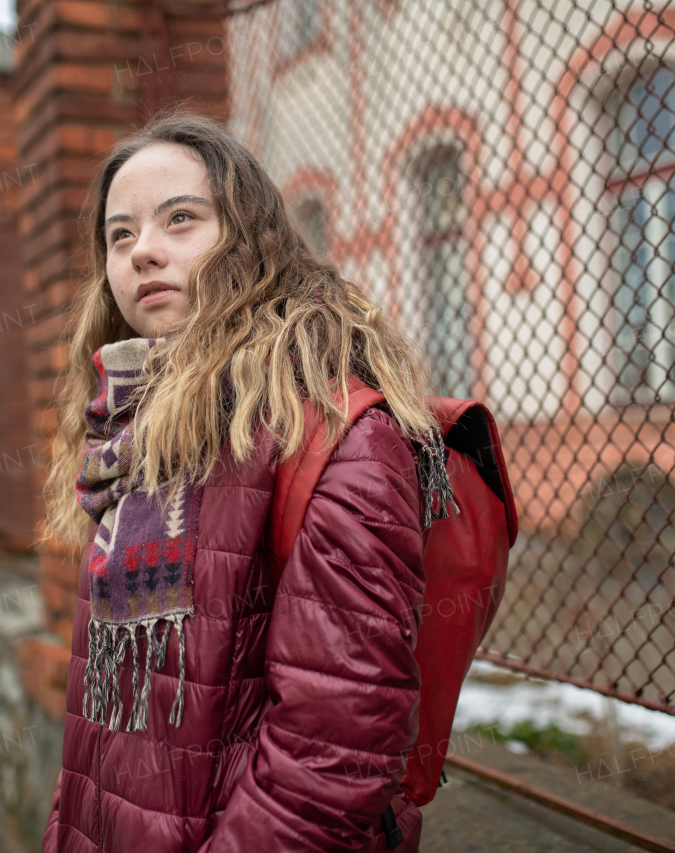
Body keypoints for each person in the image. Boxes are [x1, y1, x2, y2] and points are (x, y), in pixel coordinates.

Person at [40, 109, 453, 852]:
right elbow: (100, 743)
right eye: (121, 234)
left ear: (250, 237)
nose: (143, 252)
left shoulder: (334, 432)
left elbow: (334, 752)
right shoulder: (126, 433)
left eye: (180, 219)